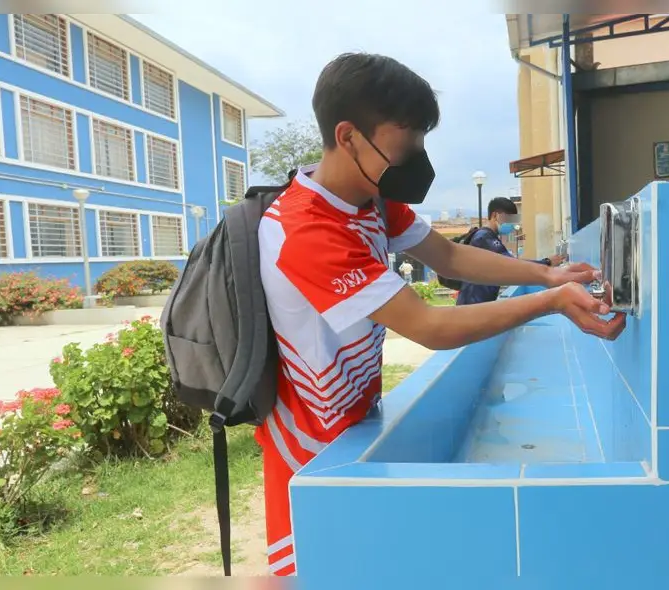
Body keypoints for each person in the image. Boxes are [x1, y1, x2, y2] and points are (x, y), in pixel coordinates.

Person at [256, 52, 626, 577]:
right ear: (348, 136)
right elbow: (428, 326)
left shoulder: (372, 201)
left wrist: (546, 274)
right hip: (310, 451)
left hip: (358, 423)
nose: (416, 158)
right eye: (405, 145)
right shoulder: (305, 230)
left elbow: (449, 256)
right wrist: (551, 302)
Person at [456, 197, 565, 306]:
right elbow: (512, 264)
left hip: (477, 302)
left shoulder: (487, 237)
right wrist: (546, 262)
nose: (511, 225)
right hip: (473, 304)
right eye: (509, 219)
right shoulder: (484, 238)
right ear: (495, 216)